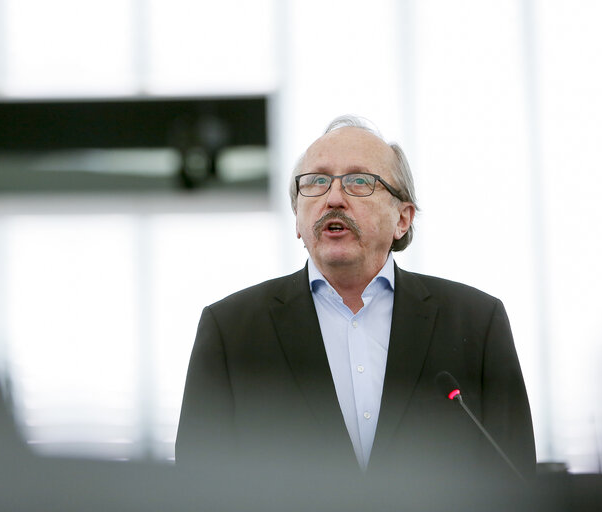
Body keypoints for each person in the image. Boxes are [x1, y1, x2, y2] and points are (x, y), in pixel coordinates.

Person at [175, 115, 535, 485]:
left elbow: (515, 479)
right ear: (298, 221)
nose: (333, 198)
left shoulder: (476, 323)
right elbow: (196, 487)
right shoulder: (231, 331)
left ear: (403, 219)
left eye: (359, 181)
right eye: (315, 182)